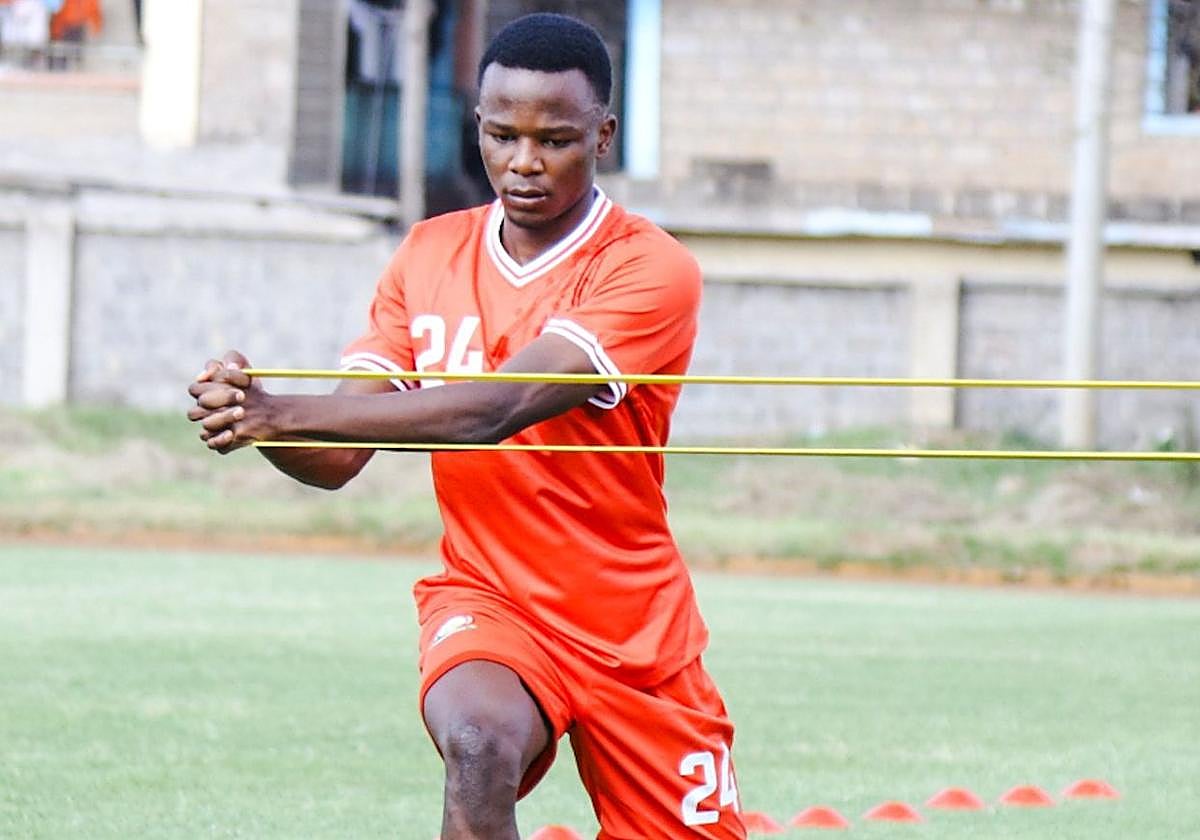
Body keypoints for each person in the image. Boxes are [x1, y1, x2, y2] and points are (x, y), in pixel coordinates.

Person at [187, 13, 745, 840]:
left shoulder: (648, 266)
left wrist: (283, 410)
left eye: (554, 139)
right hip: (490, 601)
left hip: (633, 628)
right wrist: (254, 417)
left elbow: (498, 408)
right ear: (476, 127)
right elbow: (337, 456)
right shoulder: (428, 254)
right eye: (501, 135)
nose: (523, 162)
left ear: (603, 136)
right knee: (479, 743)